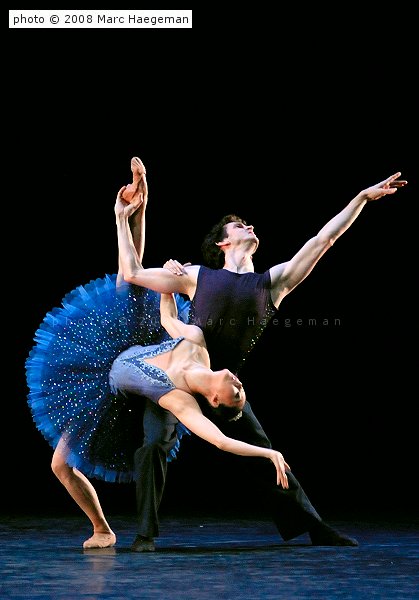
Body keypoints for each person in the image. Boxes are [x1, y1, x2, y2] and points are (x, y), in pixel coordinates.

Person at [116, 165, 408, 550]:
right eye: (239, 225)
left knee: (261, 448)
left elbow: (324, 239)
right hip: (177, 377)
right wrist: (123, 219)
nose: (249, 226)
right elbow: (132, 272)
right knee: (154, 444)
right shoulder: (197, 276)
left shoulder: (272, 284)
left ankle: (315, 526)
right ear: (223, 243)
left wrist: (361, 199)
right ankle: (145, 534)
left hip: (225, 384)